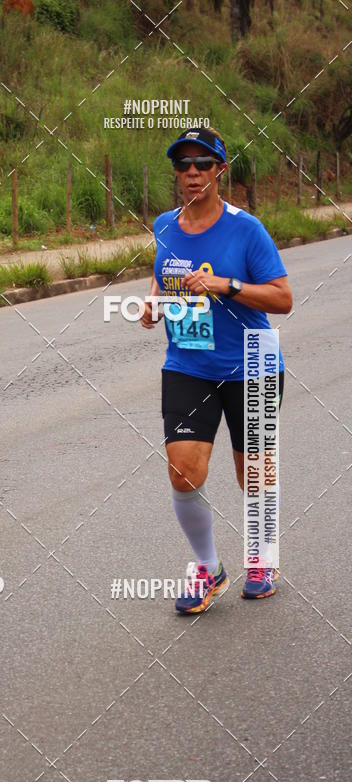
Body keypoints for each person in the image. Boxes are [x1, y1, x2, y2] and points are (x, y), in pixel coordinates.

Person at [141, 126, 293, 613]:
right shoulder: (166, 224)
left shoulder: (247, 229)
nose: (191, 173)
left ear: (220, 170)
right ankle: (209, 569)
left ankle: (261, 558)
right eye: (183, 165)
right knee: (183, 472)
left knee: (253, 472)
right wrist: (154, 303)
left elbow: (283, 297)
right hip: (188, 363)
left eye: (202, 164)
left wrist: (225, 285)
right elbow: (162, 276)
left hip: (252, 362)